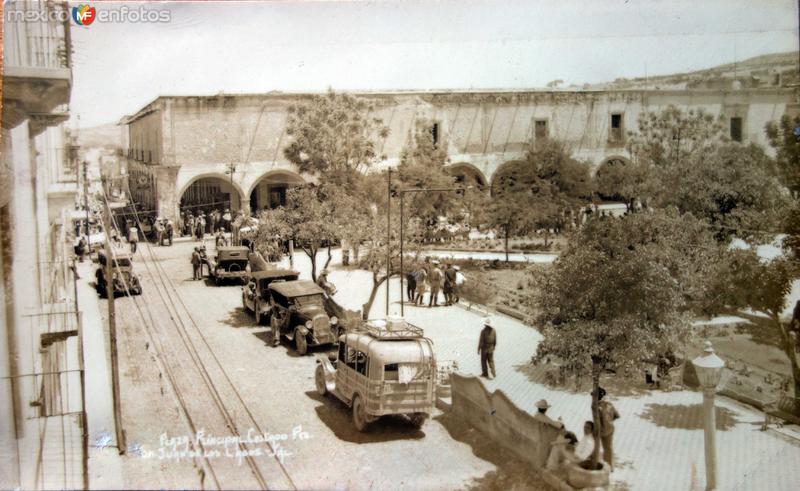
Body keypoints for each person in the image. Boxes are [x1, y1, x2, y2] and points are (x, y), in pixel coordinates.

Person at [595, 387, 620, 470]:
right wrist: (609, 422)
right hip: (611, 428)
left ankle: (606, 467)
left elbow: (598, 421)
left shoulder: (597, 407)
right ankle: (610, 466)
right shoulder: (609, 404)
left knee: (602, 448)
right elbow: (617, 415)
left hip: (603, 430)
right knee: (609, 448)